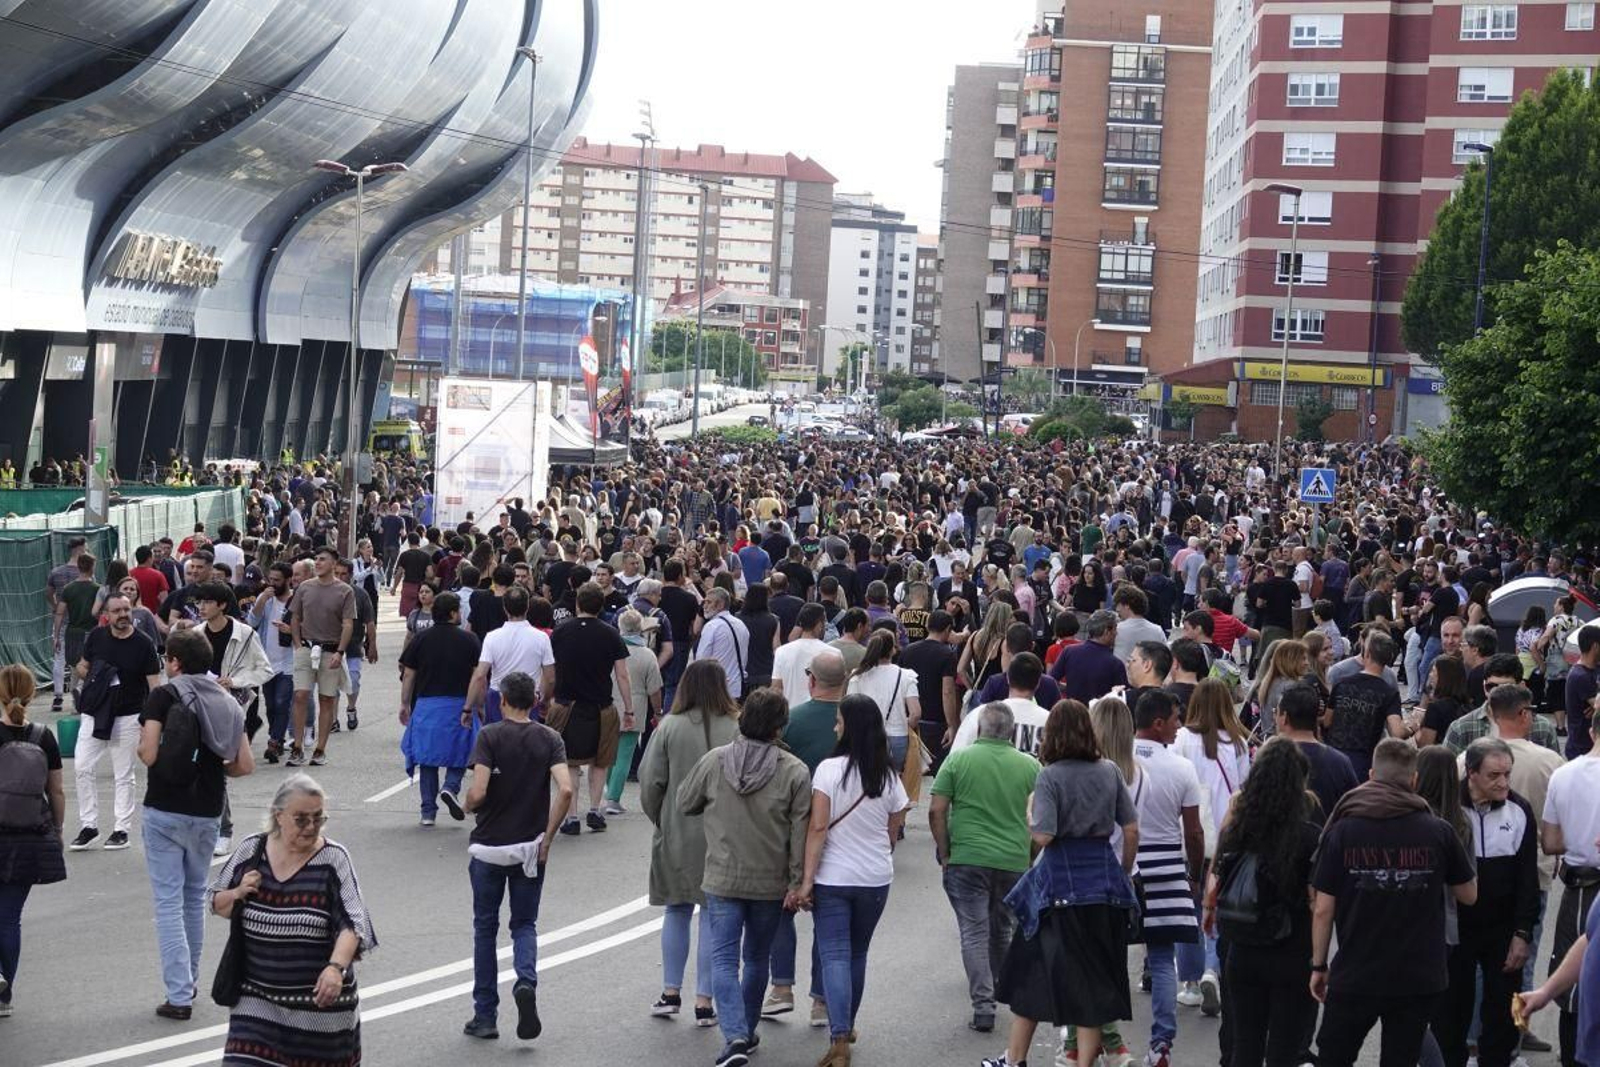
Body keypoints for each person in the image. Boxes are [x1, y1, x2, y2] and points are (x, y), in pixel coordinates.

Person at [980, 700, 1140, 1067]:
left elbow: (1045, 837)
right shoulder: (1110, 771)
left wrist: (1030, 812)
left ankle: (1013, 1058)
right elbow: (1130, 829)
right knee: (1094, 982)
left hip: (1058, 889)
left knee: (1031, 973)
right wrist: (1124, 872)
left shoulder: (1050, 776)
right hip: (1103, 884)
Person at [1310, 739, 1478, 1067]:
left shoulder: (1343, 829)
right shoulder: (1439, 831)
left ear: (1371, 775)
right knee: (1401, 1057)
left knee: (1334, 1055)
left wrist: (1319, 965)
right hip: (1418, 975)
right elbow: (1468, 895)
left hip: (1357, 972)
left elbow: (1323, 908)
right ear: (1413, 781)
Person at [676, 688, 812, 1067]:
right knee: (756, 958)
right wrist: (798, 882)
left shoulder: (715, 761)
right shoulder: (795, 771)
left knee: (723, 959)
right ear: (779, 727)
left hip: (722, 876)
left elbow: (685, 802)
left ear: (742, 718)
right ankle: (746, 1030)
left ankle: (734, 1034)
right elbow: (800, 832)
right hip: (770, 880)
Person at [208, 775, 375, 1061]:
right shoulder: (252, 850)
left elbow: (353, 923)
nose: (311, 827)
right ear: (279, 816)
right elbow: (215, 902)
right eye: (301, 819)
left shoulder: (334, 860)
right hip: (256, 1001)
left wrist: (335, 968)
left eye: (318, 818)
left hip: (320, 1013)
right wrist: (237, 893)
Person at [138, 627, 255, 1019]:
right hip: (207, 811)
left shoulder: (163, 695)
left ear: (174, 661)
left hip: (164, 808)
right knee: (193, 896)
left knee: (168, 901)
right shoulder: (229, 702)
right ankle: (188, 983)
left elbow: (149, 754)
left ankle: (178, 995)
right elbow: (243, 765)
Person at [797, 693, 911, 1065]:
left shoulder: (829, 770)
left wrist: (807, 880)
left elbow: (817, 828)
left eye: (839, 721)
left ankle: (839, 1036)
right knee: (857, 953)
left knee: (833, 954)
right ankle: (847, 1025)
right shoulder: (888, 774)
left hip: (833, 876)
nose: (835, 726)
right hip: (875, 878)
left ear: (850, 727)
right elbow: (894, 830)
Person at [460, 671, 574, 1041]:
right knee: (524, 925)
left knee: (485, 929)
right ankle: (525, 981)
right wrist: (548, 839)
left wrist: (466, 803)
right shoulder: (550, 738)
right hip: (529, 849)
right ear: (535, 702)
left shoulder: (489, 735)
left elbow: (478, 791)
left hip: (490, 847)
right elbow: (568, 790)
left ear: (504, 701)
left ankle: (485, 1015)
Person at [1200, 738, 1321, 1067]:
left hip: (1242, 947)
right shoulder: (1308, 836)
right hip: (1291, 952)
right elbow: (1317, 903)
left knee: (1246, 1044)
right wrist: (1322, 959)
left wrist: (1209, 912)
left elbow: (1216, 875)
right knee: (1283, 1049)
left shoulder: (1238, 830)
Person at [929, 701, 1041, 1033]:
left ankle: (983, 1005)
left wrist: (945, 851)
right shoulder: (1031, 766)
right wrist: (1029, 854)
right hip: (1012, 859)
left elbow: (936, 810)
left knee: (974, 931)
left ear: (979, 729)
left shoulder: (958, 760)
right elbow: (1041, 820)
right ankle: (1002, 986)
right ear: (1011, 732)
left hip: (967, 857)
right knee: (1002, 927)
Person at [641, 660, 742, 1026]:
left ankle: (670, 992)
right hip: (726, 832)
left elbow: (651, 781)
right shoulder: (737, 727)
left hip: (678, 828)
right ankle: (704, 1000)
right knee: (715, 917)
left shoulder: (670, 726)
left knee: (677, 908)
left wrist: (662, 819)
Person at [1439, 737, 1540, 1067]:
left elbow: (1528, 878)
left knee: (1501, 1011)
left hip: (1502, 928)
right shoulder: (1448, 807)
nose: (1503, 783)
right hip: (1458, 929)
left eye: (1507, 774)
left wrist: (1523, 933)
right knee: (1452, 1010)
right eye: (1494, 775)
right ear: (1471, 773)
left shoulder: (1519, 809)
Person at [1131, 689, 1205, 1067]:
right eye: (1176, 718)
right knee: (1162, 959)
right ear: (1158, 723)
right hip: (1167, 869)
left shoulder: (1117, 760)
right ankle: (1161, 1045)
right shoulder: (1180, 768)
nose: (1179, 726)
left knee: (1106, 954)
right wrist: (1194, 873)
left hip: (1123, 867)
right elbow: (1193, 832)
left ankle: (1098, 1037)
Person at [1173, 677, 1252, 1016]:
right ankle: (1212, 968)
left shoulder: (1181, 739)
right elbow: (1245, 789)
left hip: (1191, 834)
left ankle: (1189, 983)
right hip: (1227, 835)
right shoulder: (1237, 743)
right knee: (1215, 906)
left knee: (1187, 906)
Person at [70, 593, 162, 851]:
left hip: (128, 715)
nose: (123, 614)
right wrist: (96, 679)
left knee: (124, 774)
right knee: (82, 766)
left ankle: (121, 829)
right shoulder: (97, 637)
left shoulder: (144, 643)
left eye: (126, 609)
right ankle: (89, 826)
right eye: (117, 611)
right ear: (106, 615)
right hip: (95, 712)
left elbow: (154, 685)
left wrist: (151, 720)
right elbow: (81, 666)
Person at [0, 664, 65, 1018]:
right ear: (32, 693)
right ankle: (4, 996)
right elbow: (56, 790)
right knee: (9, 918)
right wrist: (56, 831)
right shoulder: (44, 736)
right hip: (28, 836)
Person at [1539, 715, 1600, 1067]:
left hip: (1580, 888)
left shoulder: (1563, 774)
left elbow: (1549, 842)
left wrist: (1578, 839)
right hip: (1586, 884)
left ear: (1592, 731)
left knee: (1571, 989)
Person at [548, 582, 632, 834]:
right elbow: (622, 675)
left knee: (570, 763)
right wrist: (629, 709)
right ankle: (595, 811)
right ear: (601, 605)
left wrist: (546, 697)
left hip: (567, 705)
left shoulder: (560, 632)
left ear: (577, 604)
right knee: (600, 762)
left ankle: (572, 816)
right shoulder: (611, 633)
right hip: (601, 706)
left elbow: (551, 671)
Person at [398, 592, 481, 826]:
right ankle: (451, 788)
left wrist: (405, 703)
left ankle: (427, 812)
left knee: (428, 759)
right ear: (454, 613)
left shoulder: (421, 639)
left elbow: (409, 674)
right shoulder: (470, 640)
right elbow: (478, 676)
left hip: (427, 705)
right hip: (457, 704)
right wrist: (475, 705)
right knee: (461, 753)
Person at [287, 547, 355, 768]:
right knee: (300, 695)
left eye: (323, 559)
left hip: (331, 651)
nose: (318, 562)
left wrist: (340, 651)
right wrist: (297, 644)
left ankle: (320, 749)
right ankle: (297, 746)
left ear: (334, 564)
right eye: (316, 558)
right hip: (306, 648)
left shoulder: (345, 591)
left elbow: (348, 623)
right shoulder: (304, 588)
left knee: (326, 699)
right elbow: (295, 617)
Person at [467, 585, 555, 727]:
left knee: (497, 744)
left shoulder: (492, 637)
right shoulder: (542, 638)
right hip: (528, 698)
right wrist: (544, 701)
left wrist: (469, 707)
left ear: (505, 608)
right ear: (527, 607)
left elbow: (479, 676)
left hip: (498, 698)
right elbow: (550, 678)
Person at [1325, 630, 1406, 780]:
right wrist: (1412, 726)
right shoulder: (1388, 693)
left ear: (1367, 654)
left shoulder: (1342, 683)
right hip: (1363, 762)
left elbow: (1327, 721)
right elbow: (1397, 733)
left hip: (1333, 757)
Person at [604, 609, 663, 814]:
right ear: (640, 628)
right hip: (635, 707)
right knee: (625, 755)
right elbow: (655, 689)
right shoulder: (647, 655)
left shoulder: (609, 649)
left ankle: (608, 788)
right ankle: (613, 798)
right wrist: (658, 711)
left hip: (609, 703)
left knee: (609, 752)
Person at [1273, 682, 1360, 815]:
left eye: (1276, 712)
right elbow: (1354, 809)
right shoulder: (1340, 762)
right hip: (1326, 833)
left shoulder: (1270, 761)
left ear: (1284, 718)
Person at [843, 630, 920, 771]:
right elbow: (915, 713)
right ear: (892, 650)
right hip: (897, 736)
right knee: (893, 780)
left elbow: (849, 712)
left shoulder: (858, 675)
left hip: (865, 737)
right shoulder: (906, 676)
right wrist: (904, 723)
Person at [1053, 610, 1128, 703]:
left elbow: (1052, 680)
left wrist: (1069, 689)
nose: (1116, 633)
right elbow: (1122, 697)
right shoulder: (1115, 664)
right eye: (1115, 629)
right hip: (1099, 714)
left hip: (1072, 711)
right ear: (1106, 632)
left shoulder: (1069, 651)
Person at [772, 603, 832, 708]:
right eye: (824, 622)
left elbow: (776, 689)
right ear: (819, 624)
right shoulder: (833, 653)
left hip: (789, 714)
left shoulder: (781, 651)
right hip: (820, 714)